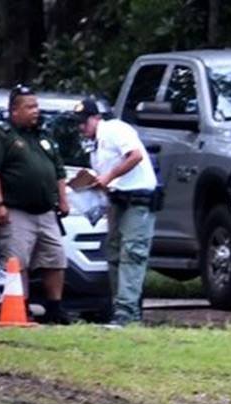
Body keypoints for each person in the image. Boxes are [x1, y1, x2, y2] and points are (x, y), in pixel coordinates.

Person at [0, 85, 72, 324]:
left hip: (46, 212)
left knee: (55, 258)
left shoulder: (43, 137)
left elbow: (59, 171)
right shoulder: (1, 136)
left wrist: (63, 198)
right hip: (16, 210)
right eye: (29, 107)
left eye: (36, 106)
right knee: (16, 261)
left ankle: (55, 308)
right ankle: (20, 306)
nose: (35, 111)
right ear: (14, 111)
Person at [73, 98, 158, 327]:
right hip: (117, 200)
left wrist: (108, 177)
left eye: (85, 122)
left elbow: (135, 155)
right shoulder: (95, 146)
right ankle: (124, 308)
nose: (81, 127)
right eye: (78, 124)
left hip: (137, 198)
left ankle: (126, 311)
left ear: (96, 118)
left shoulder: (115, 130)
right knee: (114, 253)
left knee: (132, 253)